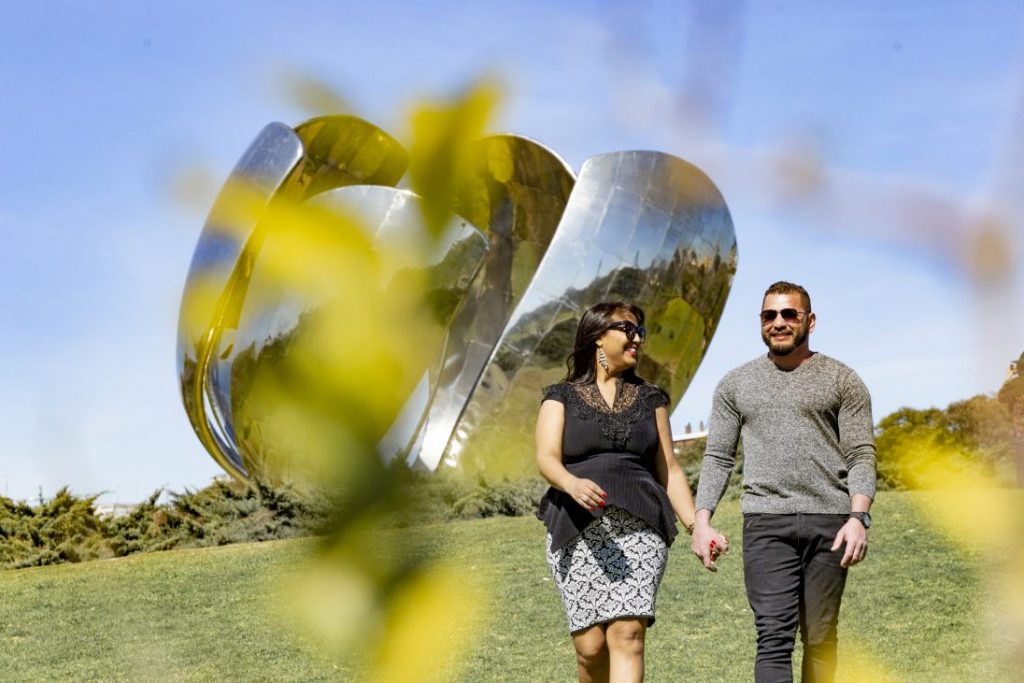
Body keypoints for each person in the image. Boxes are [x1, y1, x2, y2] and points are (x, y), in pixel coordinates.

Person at [692, 281, 876, 683]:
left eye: (788, 314)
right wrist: (701, 520)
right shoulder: (735, 384)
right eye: (768, 315)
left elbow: (861, 453)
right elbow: (719, 455)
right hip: (765, 524)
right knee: (773, 638)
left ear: (809, 320)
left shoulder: (843, 380)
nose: (778, 322)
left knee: (822, 637)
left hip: (830, 523)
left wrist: (858, 517)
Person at [536, 301, 727, 683]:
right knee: (590, 649)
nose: (637, 337)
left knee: (628, 634)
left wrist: (696, 527)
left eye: (640, 330)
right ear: (597, 337)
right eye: (628, 329)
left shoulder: (650, 399)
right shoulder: (560, 396)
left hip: (640, 526)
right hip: (577, 525)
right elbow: (546, 458)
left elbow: (669, 469)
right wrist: (571, 483)